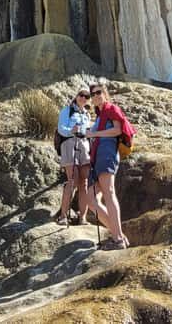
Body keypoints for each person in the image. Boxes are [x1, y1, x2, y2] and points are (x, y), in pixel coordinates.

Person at [84, 80, 133, 250]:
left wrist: (94, 133)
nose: (96, 96)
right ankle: (118, 235)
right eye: (93, 94)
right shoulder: (99, 116)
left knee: (108, 192)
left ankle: (118, 239)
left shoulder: (111, 109)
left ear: (105, 94)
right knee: (91, 199)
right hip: (98, 157)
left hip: (107, 153)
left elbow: (117, 130)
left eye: (99, 93)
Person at [56, 87, 93, 225]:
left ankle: (82, 217)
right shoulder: (67, 110)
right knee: (72, 180)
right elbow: (61, 129)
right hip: (69, 144)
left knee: (84, 183)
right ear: (76, 96)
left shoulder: (87, 114)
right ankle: (63, 216)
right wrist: (72, 130)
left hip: (84, 146)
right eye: (81, 95)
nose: (83, 98)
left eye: (87, 96)